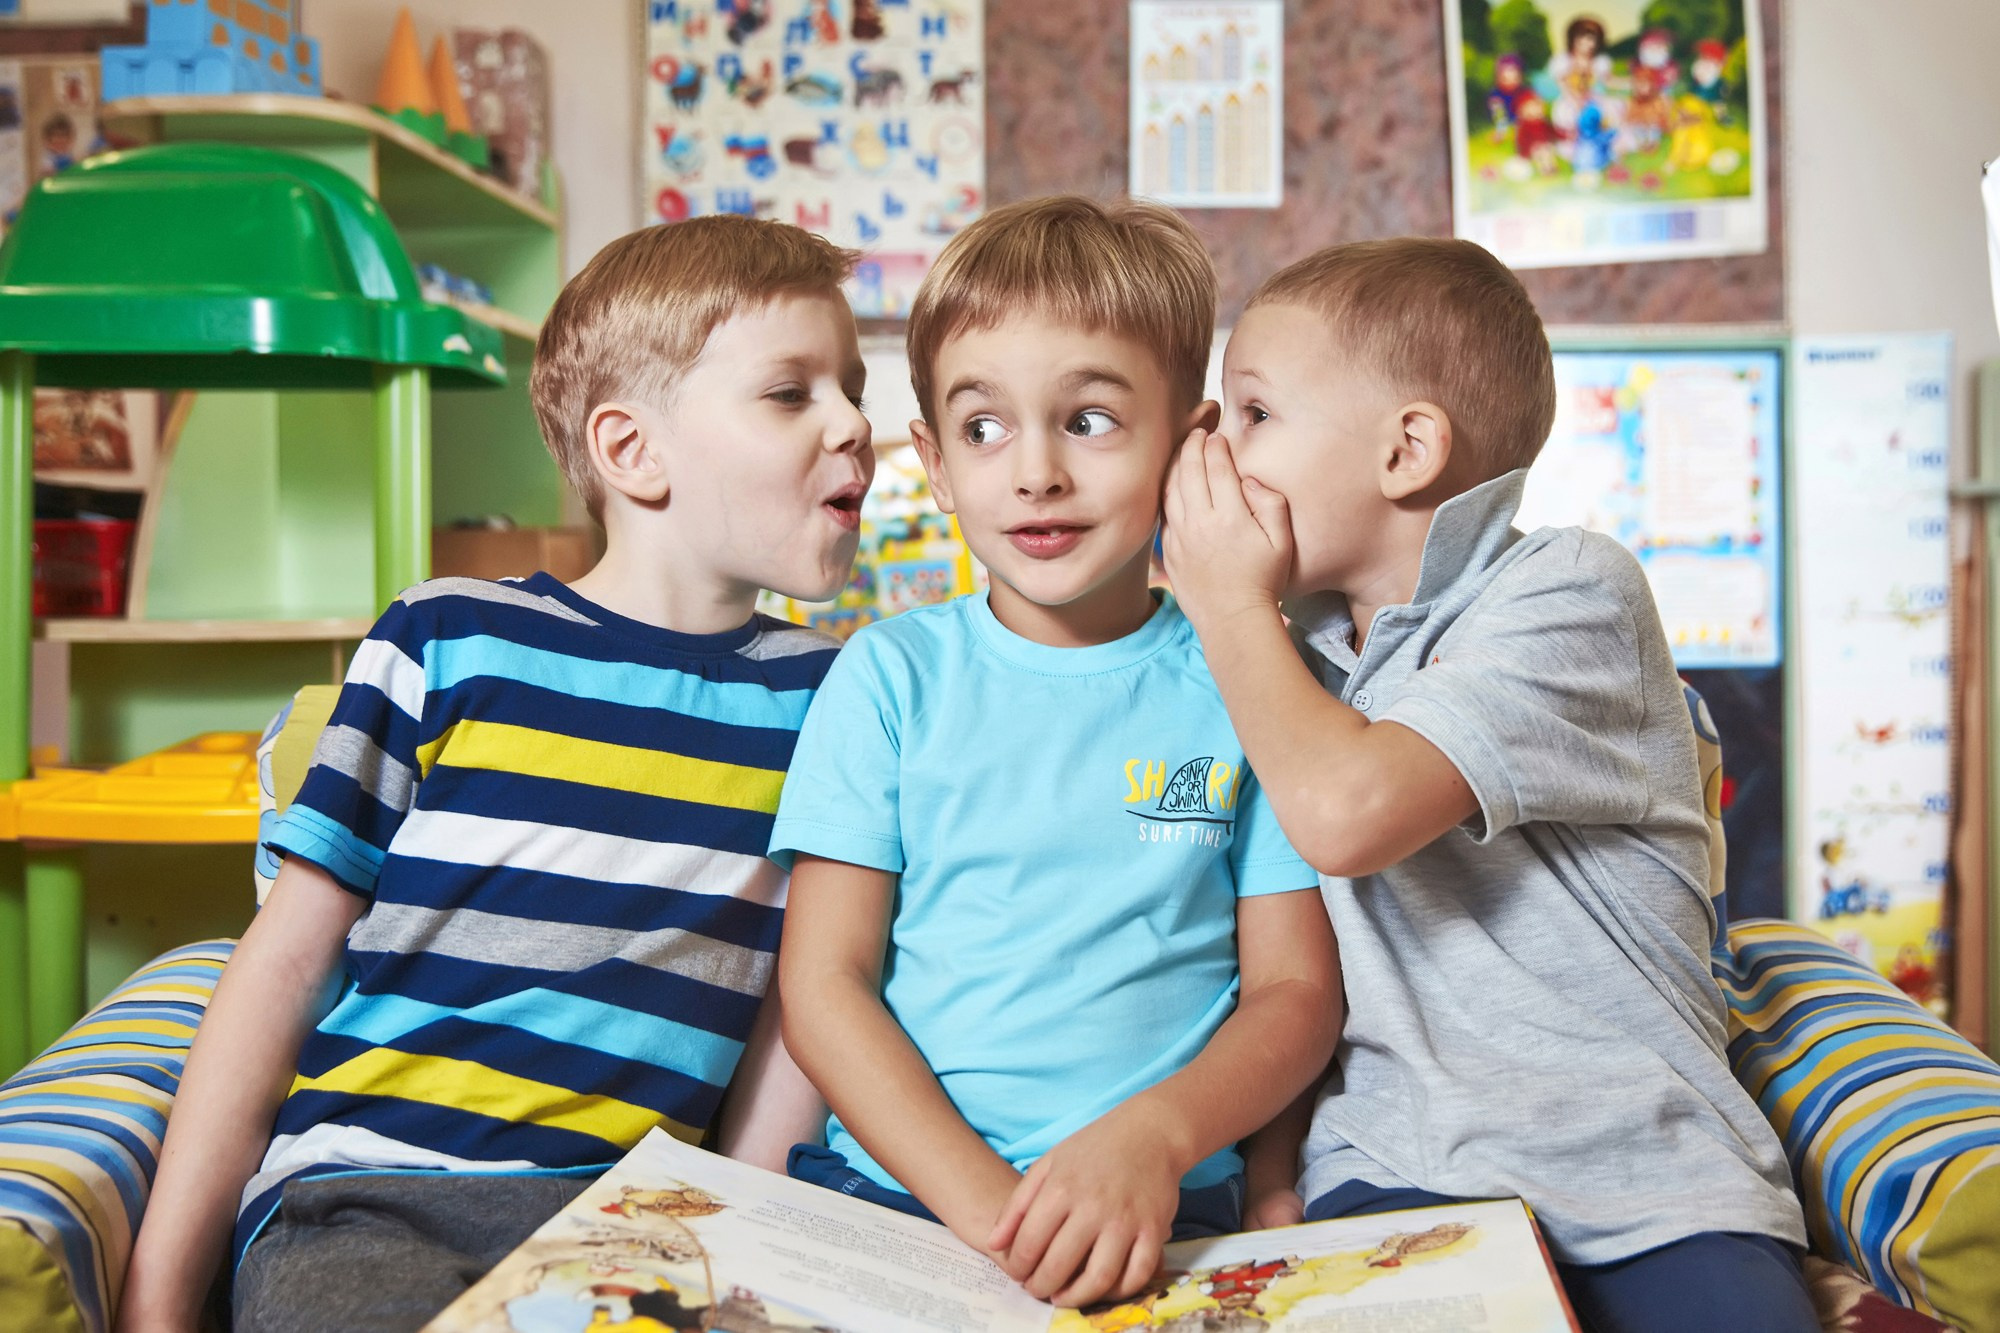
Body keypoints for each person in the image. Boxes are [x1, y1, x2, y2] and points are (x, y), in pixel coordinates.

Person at [118, 215, 876, 1333]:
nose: (854, 423)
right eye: (790, 392)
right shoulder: (446, 636)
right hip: (371, 1193)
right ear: (632, 451)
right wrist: (158, 1299)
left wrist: (746, 1242)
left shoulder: (836, 698)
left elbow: (797, 1012)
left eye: (852, 388)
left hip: (640, 1226)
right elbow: (284, 965)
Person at [1160, 237, 1818, 1333]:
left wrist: (1225, 600)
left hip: (1652, 1172)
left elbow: (1346, 813)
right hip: (1397, 1164)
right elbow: (1292, 963)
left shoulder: (1569, 588)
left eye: (1255, 412)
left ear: (1406, 450)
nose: (1219, 455)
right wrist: (1276, 1167)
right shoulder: (1290, 657)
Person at [772, 195, 1341, 1310]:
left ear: (1191, 446)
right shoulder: (887, 677)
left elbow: (1295, 992)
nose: (1034, 473)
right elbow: (824, 986)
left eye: (1088, 420)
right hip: (907, 1201)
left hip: (1170, 1206)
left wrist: (1155, 1138)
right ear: (935, 463)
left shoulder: (1255, 683)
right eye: (984, 429)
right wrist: (998, 1217)